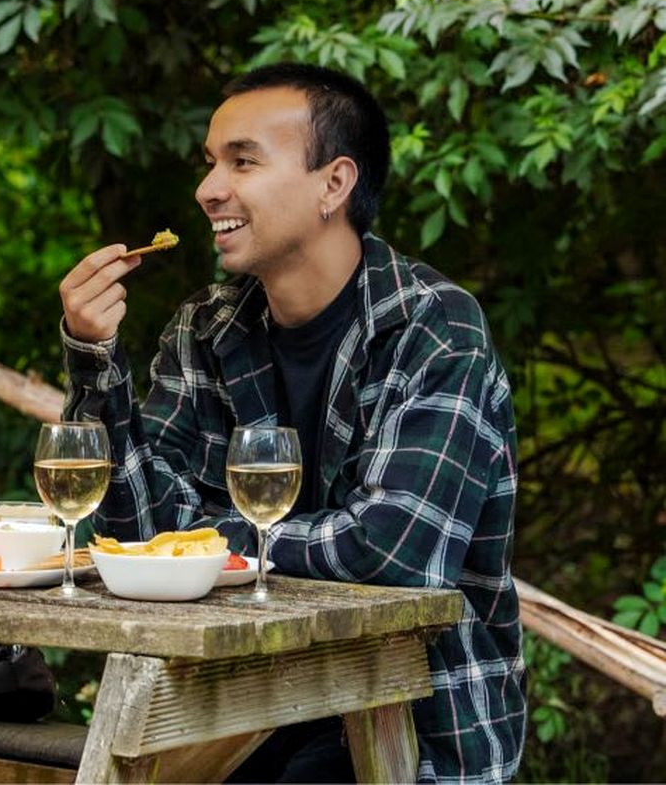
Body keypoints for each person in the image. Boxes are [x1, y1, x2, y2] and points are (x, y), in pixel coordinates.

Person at [57, 63, 525, 783]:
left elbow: (387, 556)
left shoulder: (432, 327)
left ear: (332, 184)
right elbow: (134, 533)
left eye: (241, 161)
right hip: (233, 710)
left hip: (411, 723)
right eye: (210, 163)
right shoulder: (205, 327)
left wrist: (201, 541)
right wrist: (94, 359)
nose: (208, 188)